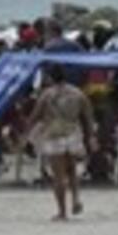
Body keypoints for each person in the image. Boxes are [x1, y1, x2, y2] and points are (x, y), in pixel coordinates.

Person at [27, 64, 94, 221]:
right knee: (72, 170)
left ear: (50, 77)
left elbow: (35, 116)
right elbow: (88, 116)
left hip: (54, 135)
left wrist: (28, 133)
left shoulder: (47, 95)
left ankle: (62, 212)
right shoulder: (78, 93)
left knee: (59, 177)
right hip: (73, 133)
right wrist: (90, 136)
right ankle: (76, 198)